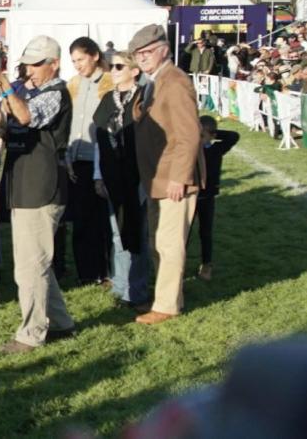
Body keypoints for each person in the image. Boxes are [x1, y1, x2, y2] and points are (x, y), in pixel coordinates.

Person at [0, 35, 76, 354]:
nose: (28, 70)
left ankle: (31, 334)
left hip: (41, 187)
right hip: (24, 185)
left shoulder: (55, 93)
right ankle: (61, 322)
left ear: (54, 64)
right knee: (36, 262)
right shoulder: (30, 90)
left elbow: (27, 117)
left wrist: (3, 82)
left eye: (35, 64)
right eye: (26, 63)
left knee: (30, 267)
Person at [129, 24, 204, 325]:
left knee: (170, 243)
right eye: (138, 54)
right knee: (159, 241)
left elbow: (189, 134)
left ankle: (167, 305)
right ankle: (166, 297)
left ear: (164, 49)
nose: (143, 58)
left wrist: (180, 177)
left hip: (174, 177)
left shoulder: (174, 81)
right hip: (158, 176)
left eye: (147, 52)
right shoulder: (153, 81)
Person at [93, 52, 149, 308]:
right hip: (111, 174)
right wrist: (98, 175)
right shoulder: (107, 99)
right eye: (111, 66)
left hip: (137, 175)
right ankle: (119, 285)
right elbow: (98, 141)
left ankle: (135, 290)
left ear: (134, 70)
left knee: (135, 233)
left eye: (119, 66)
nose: (113, 70)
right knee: (116, 233)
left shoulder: (145, 97)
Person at [65, 37, 114, 286]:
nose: (77, 65)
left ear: (95, 56)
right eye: (73, 61)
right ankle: (86, 272)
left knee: (103, 221)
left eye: (81, 59)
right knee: (82, 220)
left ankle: (106, 271)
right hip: (78, 160)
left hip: (102, 159)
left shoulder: (110, 83)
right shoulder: (73, 84)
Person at [195, 115, 239, 281]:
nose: (199, 139)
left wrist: (212, 132)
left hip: (207, 198)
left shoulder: (215, 150)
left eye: (202, 136)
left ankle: (206, 264)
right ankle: (179, 263)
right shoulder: (191, 150)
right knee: (183, 233)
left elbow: (234, 136)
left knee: (205, 232)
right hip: (190, 196)